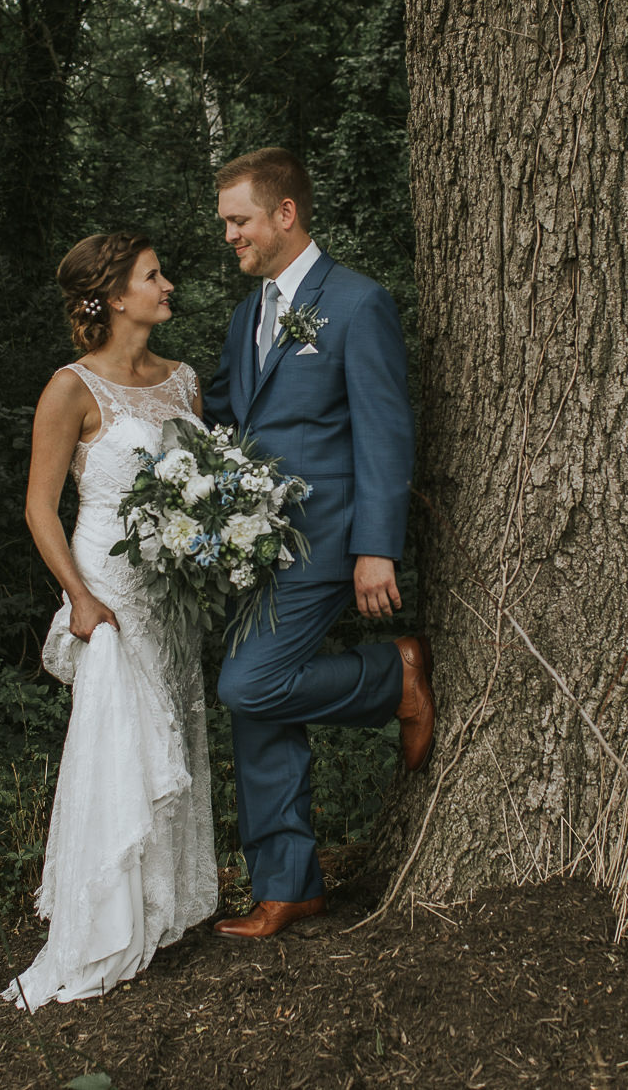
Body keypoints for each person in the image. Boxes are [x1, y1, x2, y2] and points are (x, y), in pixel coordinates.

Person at [204, 147, 435, 940]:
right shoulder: (248, 315)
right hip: (255, 545)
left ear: (285, 213)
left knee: (249, 685)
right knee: (258, 713)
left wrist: (378, 546)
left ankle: (393, 673)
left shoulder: (359, 302)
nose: (230, 235)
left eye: (238, 220)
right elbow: (227, 416)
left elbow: (384, 427)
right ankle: (289, 885)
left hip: (328, 536)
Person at [4, 233, 217, 1008]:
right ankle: (103, 923)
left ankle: (160, 907)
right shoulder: (71, 388)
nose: (169, 285)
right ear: (117, 297)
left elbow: (201, 486)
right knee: (120, 738)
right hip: (109, 587)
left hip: (170, 592)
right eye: (154, 276)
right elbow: (40, 507)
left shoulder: (184, 381)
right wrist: (80, 598)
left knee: (171, 731)